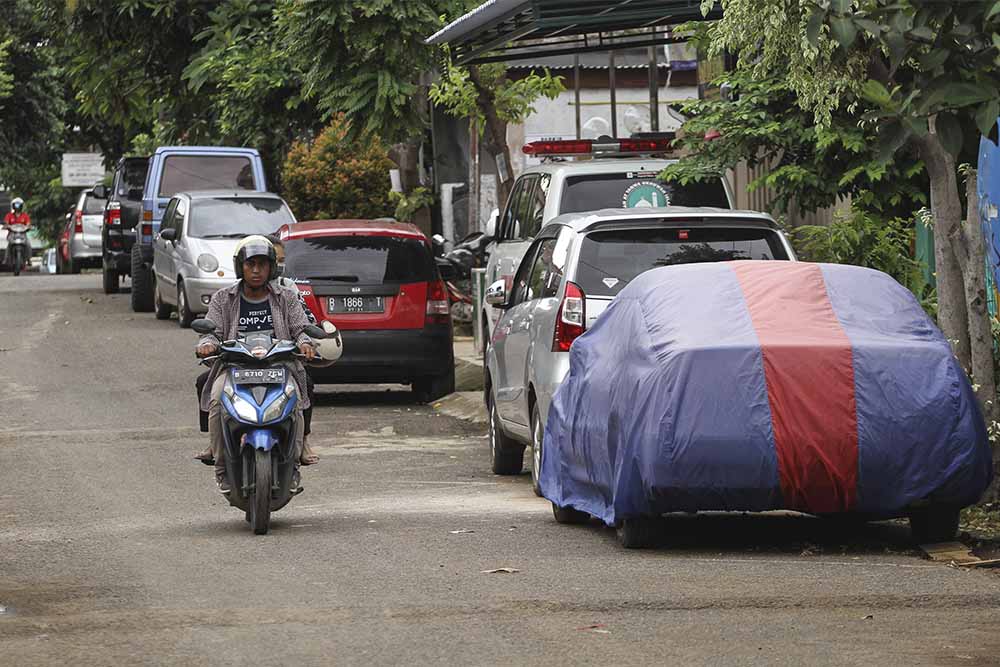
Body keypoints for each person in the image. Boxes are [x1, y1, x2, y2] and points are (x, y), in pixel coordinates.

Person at [195, 235, 316, 493]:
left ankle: (293, 466)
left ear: (272, 267)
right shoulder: (222, 298)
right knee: (216, 397)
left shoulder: (286, 297)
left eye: (262, 264)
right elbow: (211, 330)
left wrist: (306, 343)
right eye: (251, 264)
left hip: (279, 367)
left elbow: (300, 329)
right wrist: (207, 343)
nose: (257, 270)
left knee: (297, 396)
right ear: (241, 267)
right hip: (234, 368)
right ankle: (221, 468)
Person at [3, 197, 31, 268]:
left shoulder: (25, 216)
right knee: (9, 245)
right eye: (16, 204)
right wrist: (6, 226)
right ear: (13, 206)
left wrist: (28, 227)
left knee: (28, 244)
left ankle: (28, 259)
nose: (17, 206)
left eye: (19, 204)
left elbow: (28, 224)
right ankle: (5, 259)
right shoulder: (9, 215)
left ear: (21, 206)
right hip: (12, 234)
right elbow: (6, 223)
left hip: (22, 234)